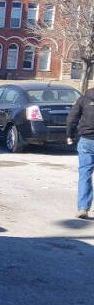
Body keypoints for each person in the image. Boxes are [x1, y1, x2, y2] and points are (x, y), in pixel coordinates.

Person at [67, 86, 94, 218]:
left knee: (85, 174)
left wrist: (70, 135)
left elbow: (72, 118)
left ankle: (83, 207)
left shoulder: (84, 98)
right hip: (87, 140)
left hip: (86, 140)